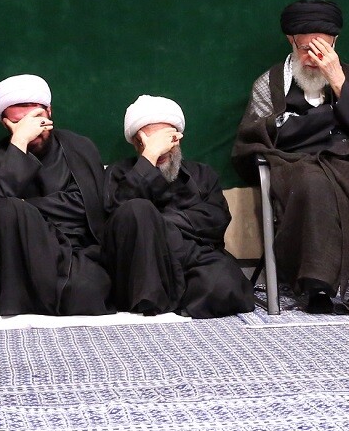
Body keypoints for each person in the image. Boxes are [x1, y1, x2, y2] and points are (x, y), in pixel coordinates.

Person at [231, 0, 349, 314]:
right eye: (307, 49)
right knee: (313, 183)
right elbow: (260, 134)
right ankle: (317, 286)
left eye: (323, 49)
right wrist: (325, 121)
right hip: (298, 162)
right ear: (291, 41)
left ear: (335, 43)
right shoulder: (270, 83)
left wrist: (338, 82)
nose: (314, 58)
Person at [0, 73, 118, 316]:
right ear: (6, 124)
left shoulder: (79, 148)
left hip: (74, 254)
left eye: (36, 119)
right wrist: (19, 144)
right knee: (7, 209)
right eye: (20, 123)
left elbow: (84, 205)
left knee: (86, 291)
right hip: (17, 262)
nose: (32, 130)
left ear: (49, 112)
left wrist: (26, 207)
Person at [104, 93, 256, 318]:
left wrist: (161, 224)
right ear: (138, 144)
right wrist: (149, 159)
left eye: (166, 141)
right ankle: (156, 298)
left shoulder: (202, 175)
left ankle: (169, 297)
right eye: (151, 142)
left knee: (225, 284)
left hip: (193, 259)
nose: (161, 149)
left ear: (178, 139)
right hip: (143, 266)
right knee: (137, 209)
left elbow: (216, 220)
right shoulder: (118, 174)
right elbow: (118, 219)